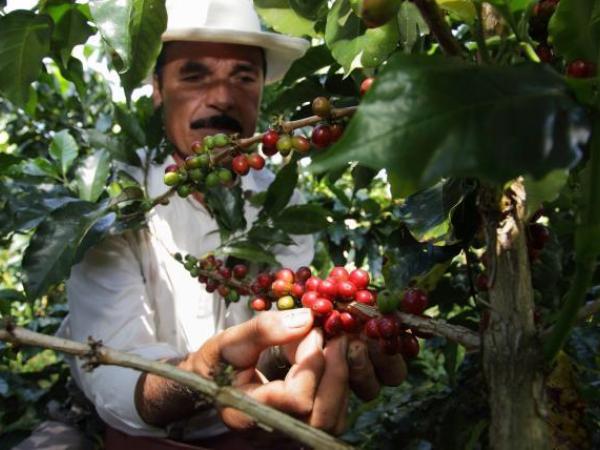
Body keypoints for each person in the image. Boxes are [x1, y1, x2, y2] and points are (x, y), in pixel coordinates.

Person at [18, 1, 407, 448]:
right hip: (125, 429)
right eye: (194, 74)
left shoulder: (281, 200)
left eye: (244, 77)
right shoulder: (111, 206)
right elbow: (114, 377)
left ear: (263, 89)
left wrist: (299, 350)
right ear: (157, 87)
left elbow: (277, 331)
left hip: (247, 423)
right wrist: (206, 372)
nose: (222, 97)